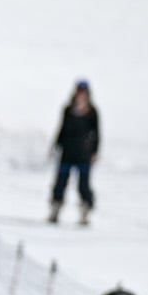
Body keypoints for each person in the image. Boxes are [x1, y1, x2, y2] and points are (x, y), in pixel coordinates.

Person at [50, 81, 100, 225]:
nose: (81, 95)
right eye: (79, 91)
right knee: (61, 182)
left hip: (83, 153)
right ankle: (55, 208)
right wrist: (56, 145)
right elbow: (62, 128)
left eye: (84, 92)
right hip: (67, 152)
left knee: (83, 185)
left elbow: (96, 133)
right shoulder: (68, 110)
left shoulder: (92, 112)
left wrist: (95, 151)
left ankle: (85, 211)